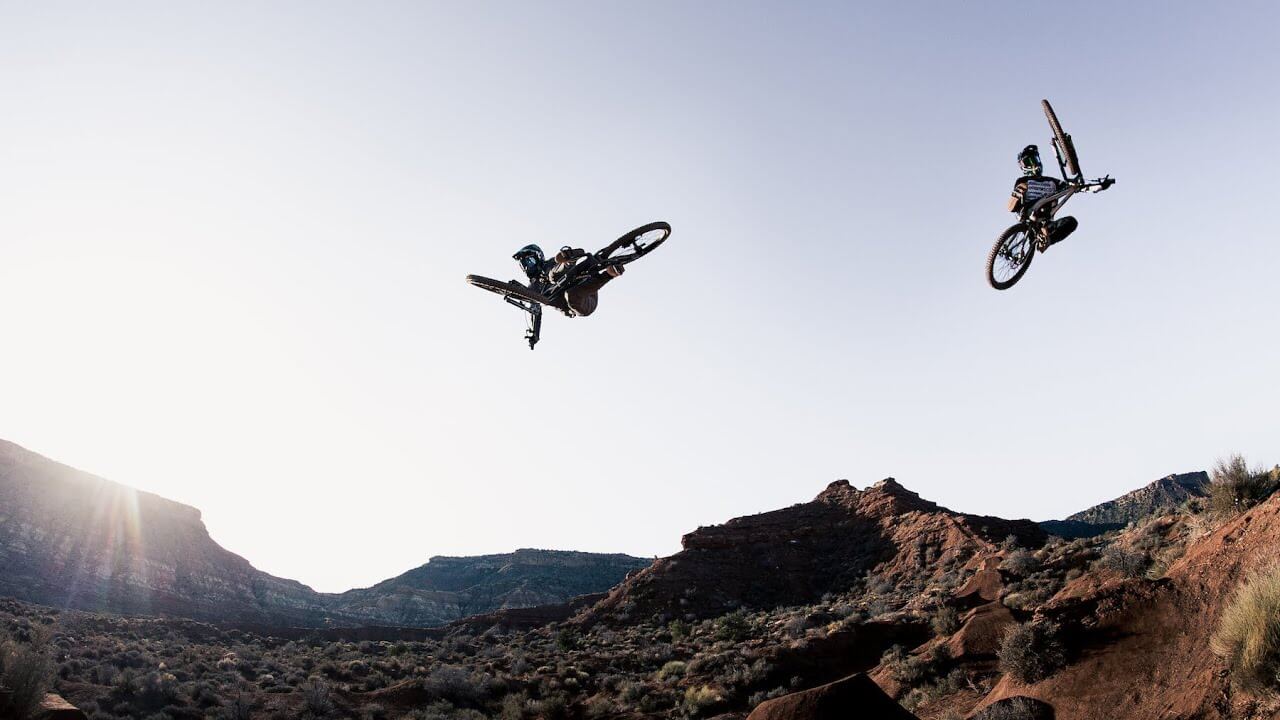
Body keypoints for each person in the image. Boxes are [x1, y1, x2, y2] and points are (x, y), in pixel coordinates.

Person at [511, 244, 624, 317]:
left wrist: (564, 262)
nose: (526, 267)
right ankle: (609, 274)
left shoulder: (549, 264)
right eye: (523, 264)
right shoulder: (533, 287)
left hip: (580, 280)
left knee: (552, 275)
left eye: (529, 261)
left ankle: (570, 259)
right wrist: (534, 334)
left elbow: (554, 271)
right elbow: (535, 311)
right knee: (569, 294)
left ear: (538, 257)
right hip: (579, 301)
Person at [1007, 144, 1077, 249]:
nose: (1033, 164)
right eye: (1028, 162)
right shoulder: (1023, 181)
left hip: (1045, 221)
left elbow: (1070, 186)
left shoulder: (1052, 181)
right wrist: (1018, 193)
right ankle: (1035, 225)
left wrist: (1094, 186)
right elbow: (1014, 205)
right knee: (1022, 195)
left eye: (1034, 160)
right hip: (1030, 211)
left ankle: (1046, 240)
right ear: (1023, 167)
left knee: (1071, 222)